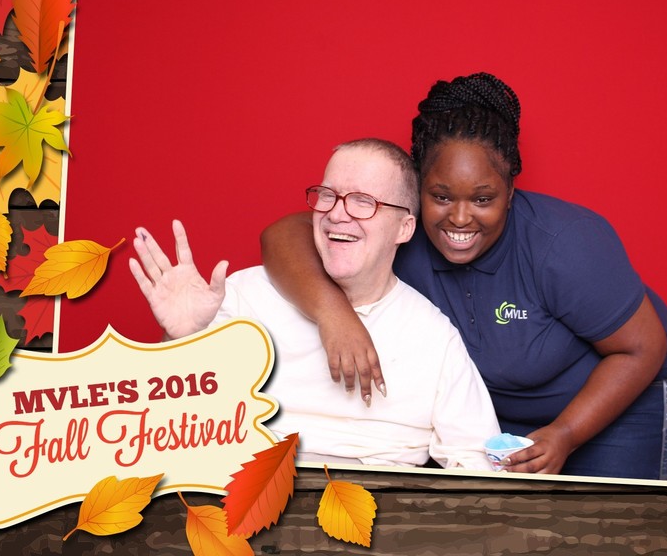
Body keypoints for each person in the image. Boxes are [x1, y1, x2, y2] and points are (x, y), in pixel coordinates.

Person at [261, 73, 667, 480]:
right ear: (417, 191)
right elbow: (284, 235)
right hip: (502, 415)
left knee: (603, 527)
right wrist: (333, 315)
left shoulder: (564, 243)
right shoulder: (402, 232)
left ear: (510, 192)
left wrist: (566, 433)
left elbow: (641, 349)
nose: (459, 218)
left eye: (483, 199)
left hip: (624, 397)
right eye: (441, 196)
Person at [129, 138, 500, 470]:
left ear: (404, 228)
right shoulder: (243, 295)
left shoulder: (433, 336)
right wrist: (178, 340)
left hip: (380, 511)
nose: (337, 214)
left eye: (363, 201)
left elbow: (477, 464)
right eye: (327, 196)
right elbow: (167, 431)